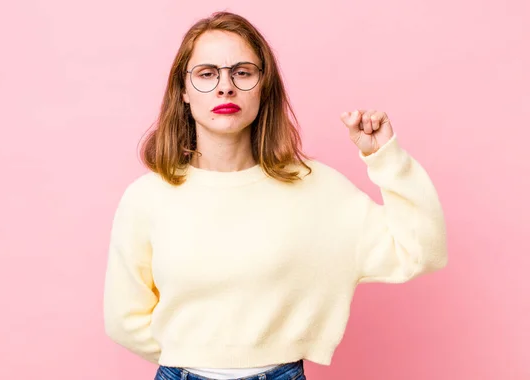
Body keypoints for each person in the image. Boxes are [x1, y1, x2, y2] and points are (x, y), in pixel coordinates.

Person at [103, 11, 448, 380]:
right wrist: (195, 355)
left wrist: (385, 158)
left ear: (264, 86)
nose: (225, 87)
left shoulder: (315, 188)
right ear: (183, 92)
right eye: (207, 74)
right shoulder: (147, 198)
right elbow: (123, 318)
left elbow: (419, 251)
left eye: (242, 72)